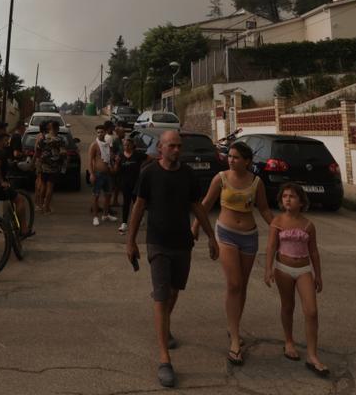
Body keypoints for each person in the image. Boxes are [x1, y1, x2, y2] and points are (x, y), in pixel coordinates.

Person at [125, 130, 219, 389]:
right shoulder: (149, 173)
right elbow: (139, 207)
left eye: (180, 146)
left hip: (183, 244)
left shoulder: (188, 174)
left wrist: (211, 236)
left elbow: (196, 206)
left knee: (174, 293)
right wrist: (130, 241)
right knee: (162, 295)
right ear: (161, 148)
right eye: (172, 146)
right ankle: (164, 358)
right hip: (157, 243)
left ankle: (164, 326)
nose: (177, 150)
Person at [192, 140, 274, 365]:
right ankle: (235, 340)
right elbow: (206, 203)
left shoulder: (257, 182)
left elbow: (265, 209)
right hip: (226, 233)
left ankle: (233, 325)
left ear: (247, 161)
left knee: (243, 285)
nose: (231, 159)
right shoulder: (220, 178)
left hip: (249, 237)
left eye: (236, 157)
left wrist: (280, 227)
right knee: (234, 284)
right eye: (230, 156)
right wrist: (196, 227)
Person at [264, 183, 328, 378]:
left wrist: (318, 274)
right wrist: (268, 269)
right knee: (288, 306)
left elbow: (314, 252)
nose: (288, 199)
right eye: (284, 196)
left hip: (303, 270)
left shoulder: (308, 225)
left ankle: (312, 355)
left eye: (292, 196)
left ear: (301, 201)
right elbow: (271, 247)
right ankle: (289, 341)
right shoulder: (277, 222)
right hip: (283, 269)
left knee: (311, 310)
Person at [0, 132, 31, 238]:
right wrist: (1, 180)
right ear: (0, 141)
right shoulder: (0, 152)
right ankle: (24, 230)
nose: (7, 143)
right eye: (5, 141)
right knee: (19, 199)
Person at [115, 136, 147, 234]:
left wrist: (142, 167)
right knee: (126, 203)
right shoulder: (121, 155)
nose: (126, 146)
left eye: (128, 145)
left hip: (136, 183)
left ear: (133, 145)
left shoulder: (137, 154)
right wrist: (116, 162)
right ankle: (124, 223)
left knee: (136, 203)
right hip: (125, 183)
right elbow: (116, 170)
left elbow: (150, 158)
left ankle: (140, 218)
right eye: (125, 145)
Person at [34, 121, 66, 214]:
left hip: (43, 165)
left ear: (49, 128)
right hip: (54, 166)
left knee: (42, 185)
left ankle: (40, 205)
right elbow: (63, 152)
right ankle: (46, 207)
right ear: (57, 129)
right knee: (50, 187)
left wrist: (35, 162)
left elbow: (38, 151)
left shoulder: (43, 138)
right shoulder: (60, 140)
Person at [88, 123, 113, 226]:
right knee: (96, 196)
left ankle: (105, 215)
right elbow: (90, 161)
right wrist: (91, 174)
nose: (99, 134)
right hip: (98, 174)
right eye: (98, 132)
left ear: (105, 132)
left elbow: (109, 159)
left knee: (108, 195)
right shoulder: (94, 145)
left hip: (107, 174)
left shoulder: (106, 144)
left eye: (101, 132)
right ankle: (95, 217)